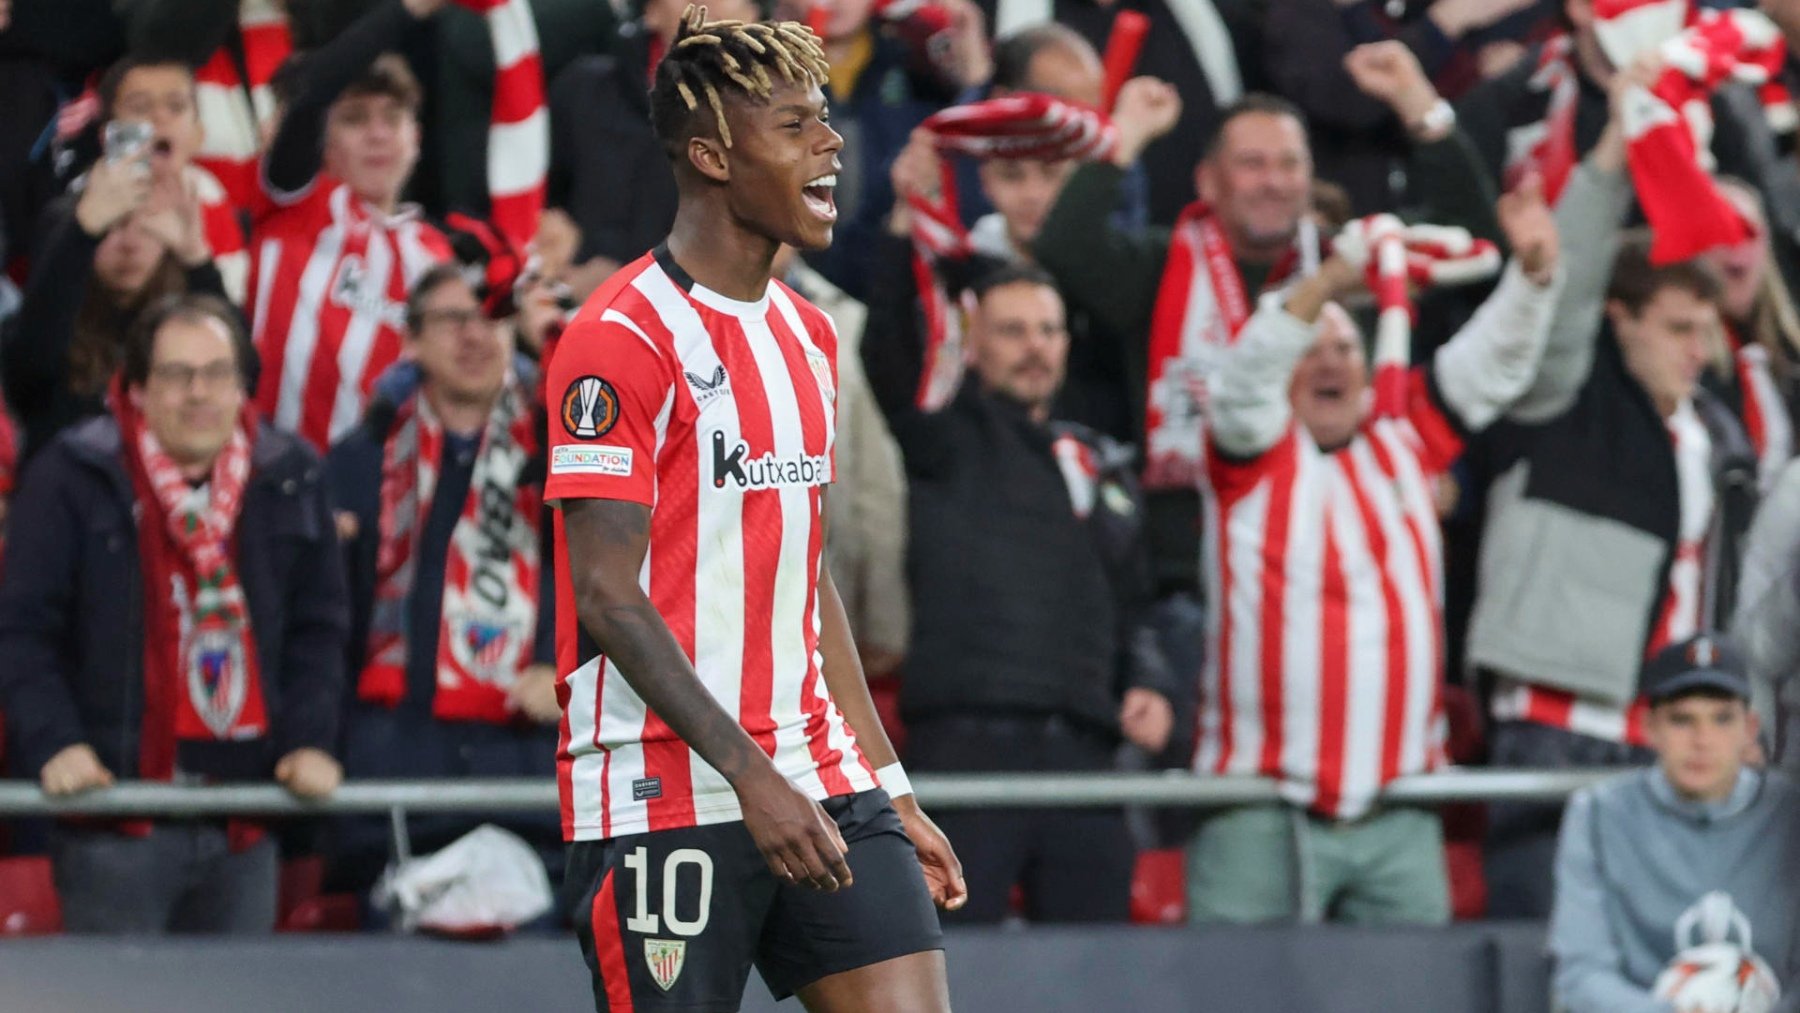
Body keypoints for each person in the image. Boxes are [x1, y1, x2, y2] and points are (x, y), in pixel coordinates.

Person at [546, 8, 962, 1009]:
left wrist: (888, 779)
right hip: (662, 792)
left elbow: (803, 573)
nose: (829, 144)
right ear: (710, 155)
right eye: (793, 125)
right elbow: (607, 597)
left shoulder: (811, 336)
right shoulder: (618, 336)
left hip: (819, 771)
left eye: (823, 119)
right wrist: (748, 774)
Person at [1187, 176, 1563, 925]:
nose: (1330, 363)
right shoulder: (1250, 455)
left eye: (1346, 348)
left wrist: (1534, 277)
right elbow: (1244, 381)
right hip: (1259, 805)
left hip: (1401, 805)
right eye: (1313, 348)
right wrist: (1329, 278)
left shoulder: (1409, 441)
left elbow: (1495, 361)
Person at [1033, 42, 1497, 607]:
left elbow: (1471, 232)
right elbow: (1065, 246)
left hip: (1332, 564)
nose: (1273, 181)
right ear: (1207, 182)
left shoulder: (1346, 265)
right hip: (1191, 575)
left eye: (1289, 164)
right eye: (1252, 165)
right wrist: (1123, 137)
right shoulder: (1159, 268)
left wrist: (1416, 100)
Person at [1467, 68, 1760, 919]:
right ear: (1618, 320)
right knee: (1538, 948)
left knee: (1661, 963)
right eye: (1676, 327)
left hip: (1671, 733)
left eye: (1705, 331)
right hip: (1556, 717)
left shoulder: (1719, 436)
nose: (1696, 349)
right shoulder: (1560, 395)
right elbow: (1567, 286)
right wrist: (1607, 155)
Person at [0, 293, 348, 933]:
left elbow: (319, 631)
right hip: (116, 819)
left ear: (243, 384)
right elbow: (21, 633)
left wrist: (309, 739)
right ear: (135, 389)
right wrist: (57, 742)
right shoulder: (71, 476)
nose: (199, 393)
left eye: (217, 373)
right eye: (177, 375)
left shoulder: (290, 474)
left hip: (248, 818)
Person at [862, 257, 1175, 924]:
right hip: (969, 745)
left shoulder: (1100, 459)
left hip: (1084, 754)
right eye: (1013, 331)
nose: (1035, 347)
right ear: (972, 343)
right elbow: (888, 345)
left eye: (1048, 331)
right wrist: (908, 238)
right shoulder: (940, 436)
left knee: (1097, 972)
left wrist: (1147, 679)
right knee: (948, 966)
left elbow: (1134, 600)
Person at [324, 264, 561, 899]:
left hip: (528, 783)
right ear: (413, 341)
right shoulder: (358, 459)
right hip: (394, 782)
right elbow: (323, 621)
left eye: (492, 319)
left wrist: (566, 664)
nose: (475, 336)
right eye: (454, 320)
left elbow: (616, 585)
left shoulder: (568, 451)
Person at [1549, 634, 1800, 1013]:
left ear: (1750, 730)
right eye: (1683, 720)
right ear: (1650, 728)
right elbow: (1581, 976)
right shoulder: (1600, 814)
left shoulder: (1790, 813)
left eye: (1721, 719)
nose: (1702, 740)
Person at [248, 0, 455, 451]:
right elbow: (315, 91)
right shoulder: (293, 200)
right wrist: (408, 10)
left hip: (388, 497)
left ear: (416, 137)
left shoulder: (439, 254)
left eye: (393, 117)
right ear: (323, 136)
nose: (378, 134)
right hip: (276, 481)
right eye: (355, 118)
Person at [2, 148, 228, 461]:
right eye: (113, 226)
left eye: (147, 224)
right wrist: (80, 234)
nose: (130, 244)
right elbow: (29, 368)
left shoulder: (186, 313)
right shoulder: (50, 314)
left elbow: (245, 377)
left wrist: (197, 259)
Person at [543, 0, 767, 301]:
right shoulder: (583, 89)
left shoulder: (770, 117)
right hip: (568, 303)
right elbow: (539, 204)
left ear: (754, 14)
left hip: (695, 316)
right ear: (651, 11)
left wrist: (630, 290)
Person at [1703, 177, 1800, 487]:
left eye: (1749, 232)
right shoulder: (1687, 359)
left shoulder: (1788, 356)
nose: (1737, 244)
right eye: (1722, 229)